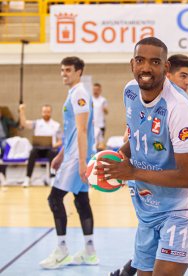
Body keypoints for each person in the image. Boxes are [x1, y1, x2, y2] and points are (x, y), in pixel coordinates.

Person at [102, 37, 188, 276]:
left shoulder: (179, 109)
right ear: (132, 64)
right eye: (140, 61)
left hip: (186, 209)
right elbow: (137, 136)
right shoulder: (130, 92)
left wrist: (131, 172)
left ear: (165, 68)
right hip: (150, 206)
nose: (146, 68)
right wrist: (112, 160)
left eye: (154, 62)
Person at [39, 56, 98, 269]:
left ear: (79, 71)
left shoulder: (80, 93)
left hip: (77, 157)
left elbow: (82, 130)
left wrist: (81, 163)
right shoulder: (74, 93)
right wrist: (61, 154)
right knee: (81, 200)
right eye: (62, 70)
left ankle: (62, 249)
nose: (64, 74)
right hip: (73, 154)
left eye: (68, 70)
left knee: (54, 199)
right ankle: (90, 252)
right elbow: (74, 131)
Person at [19, 103, 62, 187]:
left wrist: (54, 145)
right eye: (44, 112)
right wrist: (22, 111)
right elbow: (24, 123)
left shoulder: (56, 125)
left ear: (51, 112)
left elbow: (61, 141)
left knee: (53, 153)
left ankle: (52, 178)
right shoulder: (37, 123)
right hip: (38, 149)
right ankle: (27, 178)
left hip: (50, 149)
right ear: (42, 112)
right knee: (32, 152)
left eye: (48, 112)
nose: (46, 113)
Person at [0, 107, 20, 185]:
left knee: (6, 150)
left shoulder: (5, 119)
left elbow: (16, 124)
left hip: (4, 139)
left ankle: (2, 172)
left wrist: (20, 113)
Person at [92, 83, 108, 151]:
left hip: (100, 124)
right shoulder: (90, 100)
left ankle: (100, 156)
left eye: (97, 90)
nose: (95, 91)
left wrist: (104, 109)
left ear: (100, 90)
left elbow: (106, 112)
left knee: (100, 143)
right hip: (92, 125)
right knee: (93, 142)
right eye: (94, 89)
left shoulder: (103, 100)